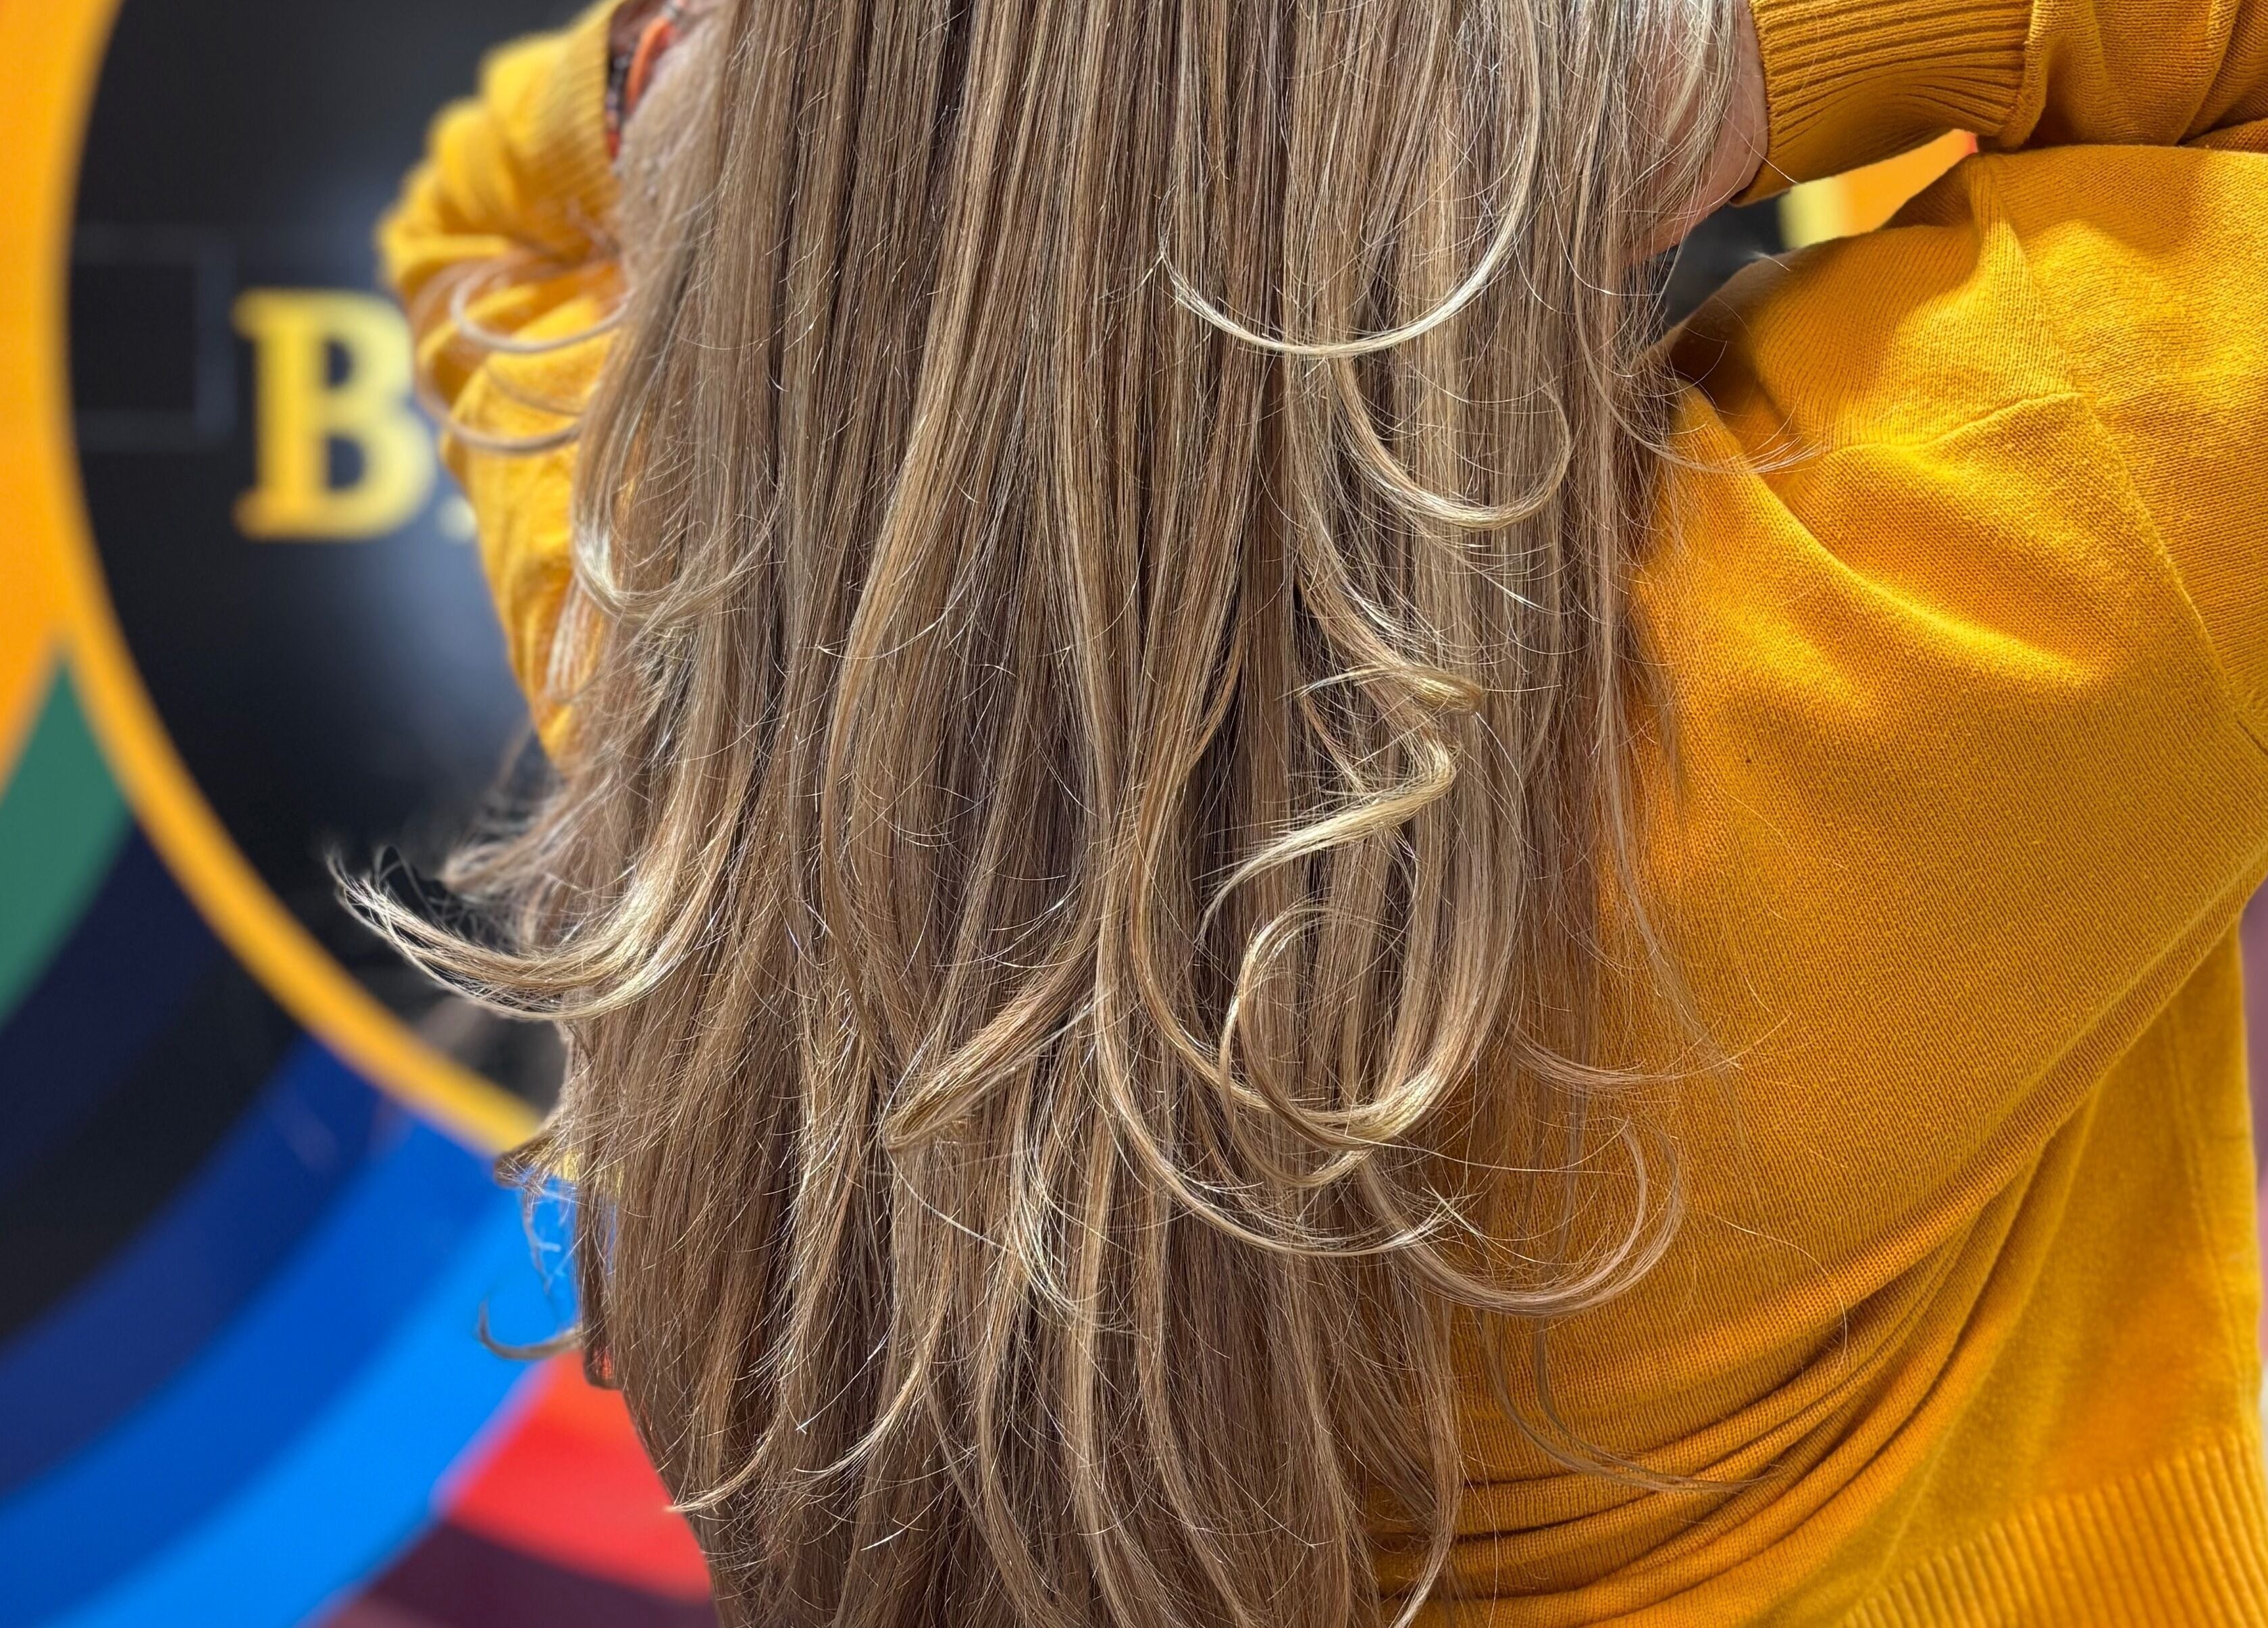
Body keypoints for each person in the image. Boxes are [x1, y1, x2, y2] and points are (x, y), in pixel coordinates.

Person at [368, 0, 2268, 1621]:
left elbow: (487, 230)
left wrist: (685, 81)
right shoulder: (1957, 566)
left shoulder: (715, 737)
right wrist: (1734, 54)